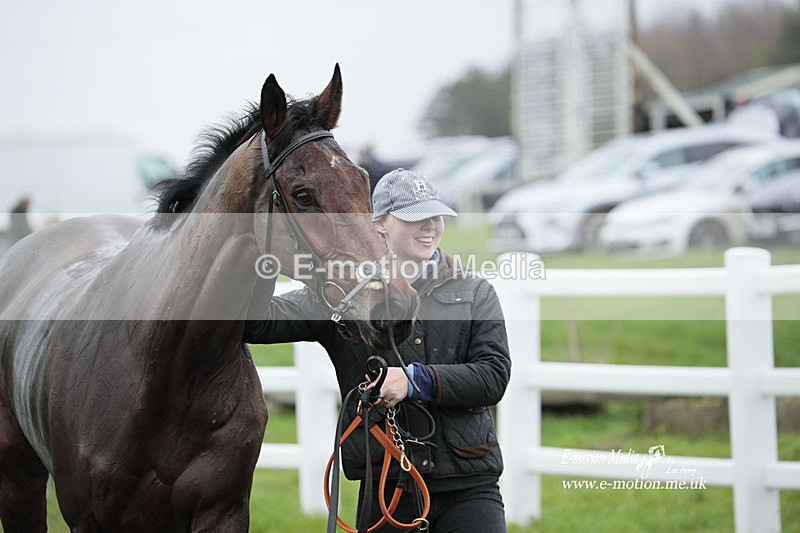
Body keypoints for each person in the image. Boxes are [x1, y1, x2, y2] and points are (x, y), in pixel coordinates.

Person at [244, 168, 510, 532]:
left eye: (435, 215)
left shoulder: (476, 292)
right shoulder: (339, 295)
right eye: (415, 217)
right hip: (385, 489)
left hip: (469, 488)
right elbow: (256, 323)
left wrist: (413, 381)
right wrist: (267, 255)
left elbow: (493, 377)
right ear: (379, 224)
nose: (430, 226)